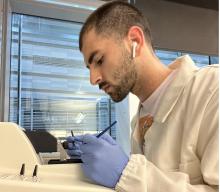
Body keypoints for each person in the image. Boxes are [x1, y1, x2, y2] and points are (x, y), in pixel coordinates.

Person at [67, 1, 219, 191]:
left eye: (99, 60)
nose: (93, 79)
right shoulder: (139, 122)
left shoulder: (212, 89)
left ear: (135, 41)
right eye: (90, 68)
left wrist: (127, 174)